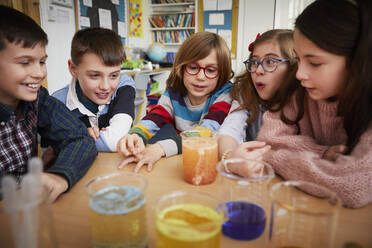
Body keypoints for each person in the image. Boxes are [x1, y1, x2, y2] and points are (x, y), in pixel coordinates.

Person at [257, 0, 372, 208]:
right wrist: (322, 153)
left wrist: (274, 158)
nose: (300, 73)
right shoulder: (298, 89)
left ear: (358, 61)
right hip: (297, 205)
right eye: (298, 59)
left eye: (315, 63)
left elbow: (352, 186)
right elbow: (269, 141)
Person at [0, 6, 97, 202]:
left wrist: (59, 176)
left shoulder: (38, 99)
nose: (39, 73)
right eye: (25, 62)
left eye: (42, 62)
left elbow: (79, 138)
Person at [117, 31, 234, 172]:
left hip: (213, 163)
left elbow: (206, 132)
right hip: (183, 159)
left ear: (222, 72)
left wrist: (161, 148)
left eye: (210, 70)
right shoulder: (174, 93)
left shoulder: (225, 94)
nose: (201, 76)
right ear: (182, 67)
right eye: (193, 67)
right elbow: (155, 117)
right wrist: (137, 134)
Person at [217, 30, 298, 176]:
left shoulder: (301, 99)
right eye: (254, 62)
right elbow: (229, 130)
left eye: (270, 61)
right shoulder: (245, 92)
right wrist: (230, 158)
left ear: (293, 66)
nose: (258, 70)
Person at [52, 27, 135, 152]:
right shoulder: (57, 104)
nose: (105, 86)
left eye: (114, 75)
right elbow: (52, 151)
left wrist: (78, 139)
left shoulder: (124, 85)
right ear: (73, 69)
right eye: (95, 75)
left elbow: (114, 141)